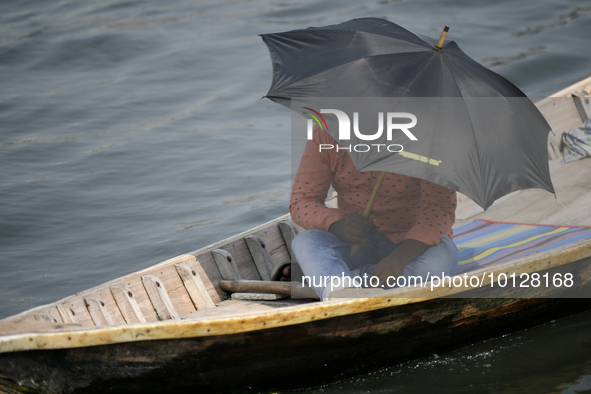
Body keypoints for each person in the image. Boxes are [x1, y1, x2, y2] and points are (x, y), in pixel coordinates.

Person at [289, 126, 459, 300]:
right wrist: (340, 226)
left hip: (412, 245)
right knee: (305, 241)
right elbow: (302, 201)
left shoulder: (428, 138)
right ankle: (336, 283)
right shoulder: (326, 135)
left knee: (437, 264)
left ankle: (334, 282)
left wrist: (401, 257)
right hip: (354, 243)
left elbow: (439, 208)